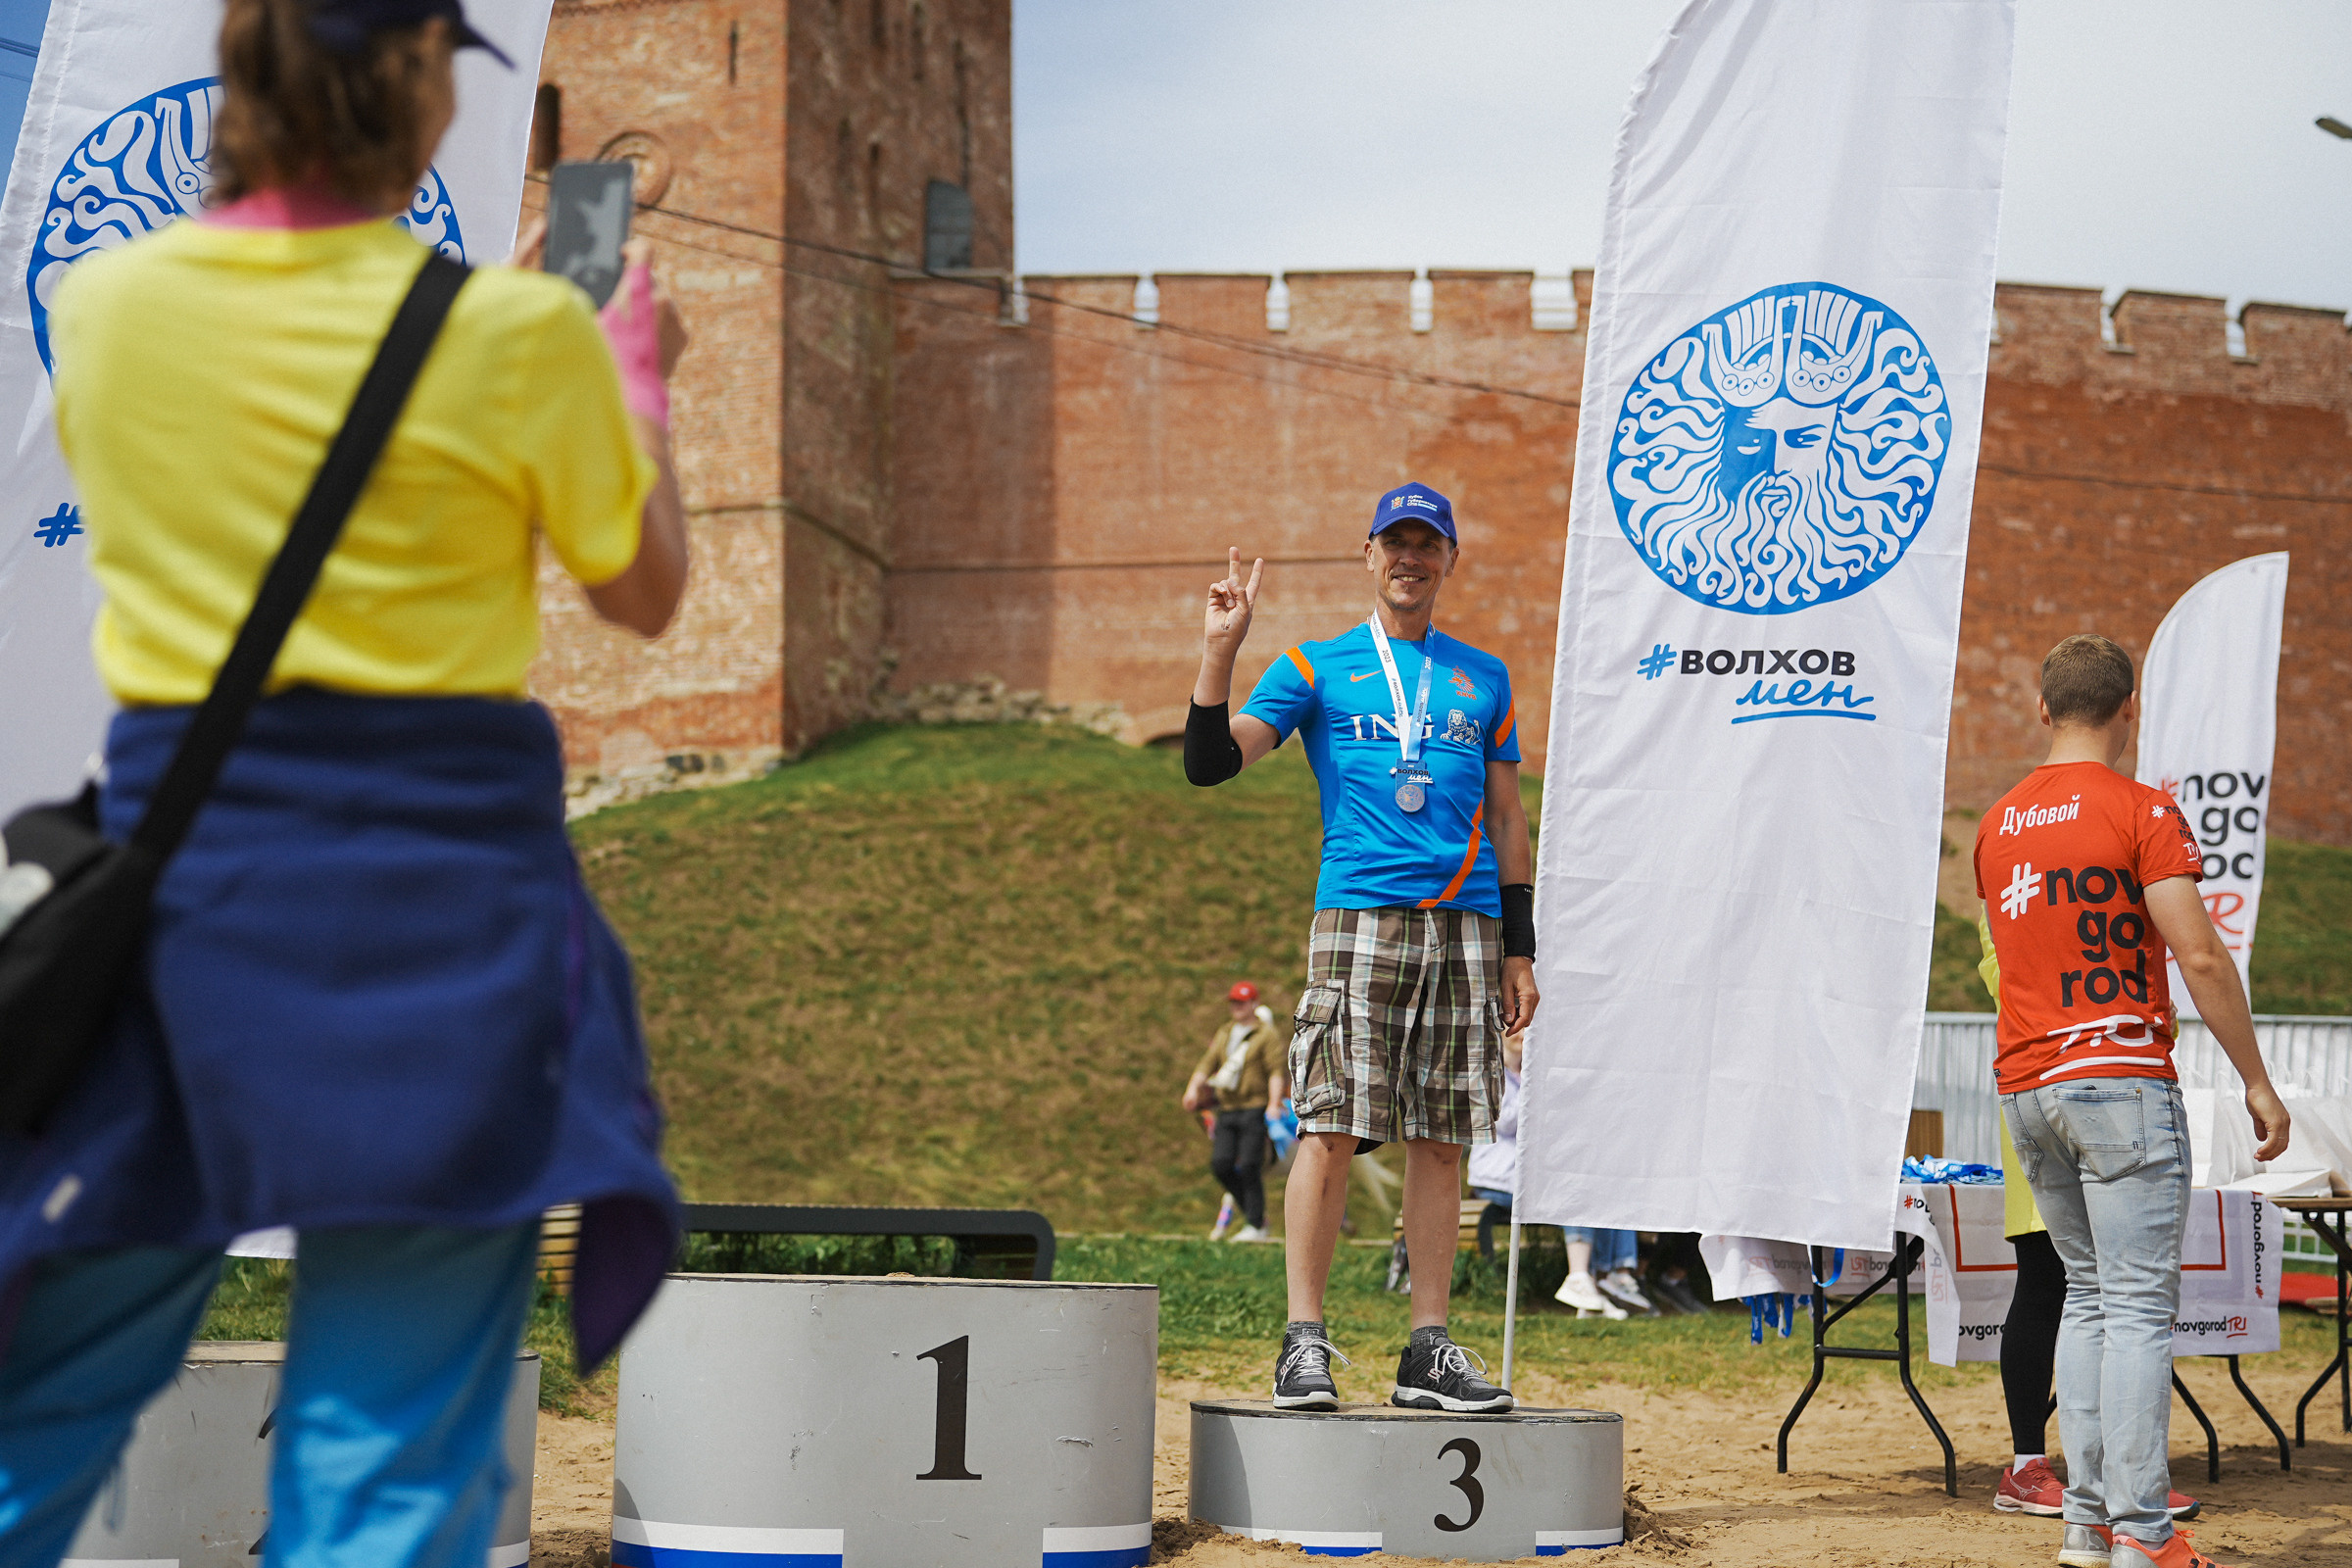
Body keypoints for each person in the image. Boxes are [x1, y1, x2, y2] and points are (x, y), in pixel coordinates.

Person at [0, 5, 690, 1566]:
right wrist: (628, 380)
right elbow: (641, 591)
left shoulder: (105, 305)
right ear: (417, 93)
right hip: (446, 937)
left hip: (182, 917)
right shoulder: (515, 338)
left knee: (35, 1426)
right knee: (385, 1481)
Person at [1184, 480, 1539, 1414]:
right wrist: (1218, 655)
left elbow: (1508, 816)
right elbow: (1212, 763)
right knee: (1331, 1125)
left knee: (1442, 1139)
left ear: (1450, 559)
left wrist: (1519, 947)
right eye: (1396, 543)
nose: (1410, 558)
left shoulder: (1484, 677)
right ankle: (1305, 1342)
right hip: (1360, 919)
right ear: (1368, 554)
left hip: (1466, 928)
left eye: (1429, 544)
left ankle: (1428, 1348)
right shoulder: (1314, 666)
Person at [1973, 634, 2289, 1568]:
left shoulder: (1998, 823)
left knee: (2089, 1302)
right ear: (2129, 710)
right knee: (2140, 1308)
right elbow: (2197, 953)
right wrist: (2257, 1081)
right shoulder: (2142, 808)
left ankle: (2087, 1527)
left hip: (2028, 1084)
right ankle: (2144, 1535)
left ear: (2043, 710)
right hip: (2119, 1075)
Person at [1976, 914, 2201, 1526]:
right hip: (2051, 1083)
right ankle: (2029, 1465)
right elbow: (2009, 979)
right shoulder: (2015, 888)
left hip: (2089, 1085)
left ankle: (2110, 1481)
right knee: (2053, 1281)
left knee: (2114, 1294)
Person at [1463, 1033, 1655, 1320]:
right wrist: (1540, 1089)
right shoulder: (1490, 1074)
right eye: (1513, 1029)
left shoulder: (1535, 1077)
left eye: (1527, 1030)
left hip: (1531, 1176)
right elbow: (1508, 1122)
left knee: (1605, 1189)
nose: (1521, 1035)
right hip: (1496, 1179)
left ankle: (1609, 1280)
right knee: (1572, 1193)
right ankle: (1582, 1278)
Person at [1183, 982, 1287, 1242]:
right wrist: (1192, 1089)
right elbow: (1208, 1063)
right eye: (1234, 1002)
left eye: (1242, 1002)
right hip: (1227, 1109)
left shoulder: (1266, 1035)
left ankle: (1255, 1224)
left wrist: (1273, 1103)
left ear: (1253, 1004)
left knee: (1251, 1165)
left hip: (1253, 1107)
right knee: (1221, 1164)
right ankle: (1257, 1217)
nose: (1237, 1008)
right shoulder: (1226, 1032)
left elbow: (1275, 1071)